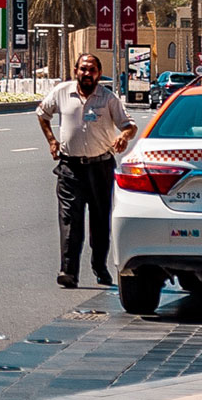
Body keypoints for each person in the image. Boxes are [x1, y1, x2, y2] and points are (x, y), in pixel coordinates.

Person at [37, 52, 138, 289]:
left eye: (92, 70)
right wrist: (51, 140)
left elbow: (129, 125)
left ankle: (99, 266)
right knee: (70, 220)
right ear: (76, 71)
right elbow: (42, 113)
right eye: (83, 69)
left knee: (100, 221)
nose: (87, 73)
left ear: (99, 74)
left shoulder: (108, 98)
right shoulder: (62, 92)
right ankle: (68, 271)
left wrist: (124, 136)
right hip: (70, 169)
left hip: (100, 167)